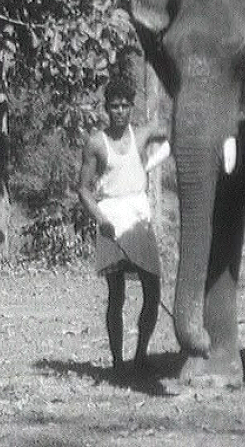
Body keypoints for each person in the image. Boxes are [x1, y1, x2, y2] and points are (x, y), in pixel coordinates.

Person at [78, 75, 169, 375]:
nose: (119, 112)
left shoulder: (142, 136)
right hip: (111, 217)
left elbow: (173, 131)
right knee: (116, 294)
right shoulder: (96, 143)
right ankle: (118, 362)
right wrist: (101, 219)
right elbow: (84, 189)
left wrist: (157, 156)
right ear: (106, 108)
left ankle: (140, 355)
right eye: (114, 106)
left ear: (132, 108)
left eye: (124, 106)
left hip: (138, 215)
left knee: (152, 290)